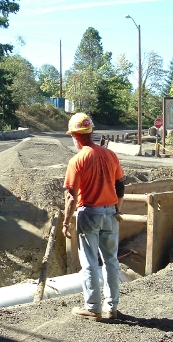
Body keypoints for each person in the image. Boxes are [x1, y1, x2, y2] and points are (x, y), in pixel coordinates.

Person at [62, 112, 125, 321]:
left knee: (89, 262)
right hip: (110, 212)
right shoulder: (110, 155)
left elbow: (71, 197)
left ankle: (92, 308)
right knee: (111, 261)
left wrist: (65, 222)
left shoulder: (77, 160)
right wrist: (117, 209)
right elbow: (120, 184)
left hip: (89, 213)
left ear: (75, 136)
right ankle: (112, 307)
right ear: (91, 132)